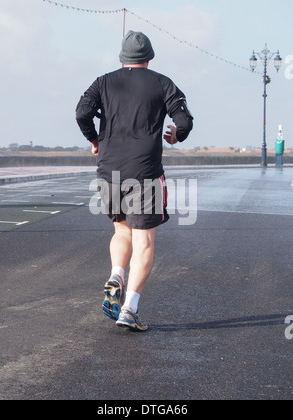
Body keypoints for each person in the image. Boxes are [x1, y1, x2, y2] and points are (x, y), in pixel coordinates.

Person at [76, 30, 193, 332]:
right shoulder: (162, 83)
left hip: (109, 168)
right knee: (145, 240)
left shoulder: (103, 82)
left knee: (122, 229)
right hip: (145, 172)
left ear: (122, 58)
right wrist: (176, 134)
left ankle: (116, 274)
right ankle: (130, 308)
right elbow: (184, 120)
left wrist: (94, 140)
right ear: (149, 57)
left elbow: (82, 113)